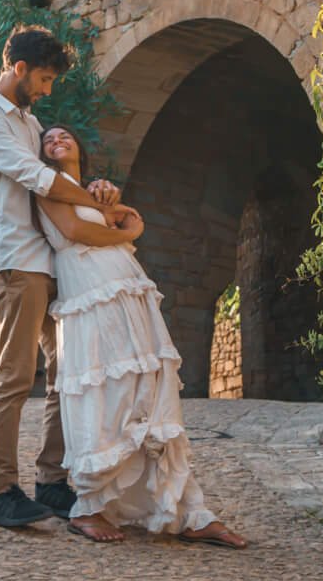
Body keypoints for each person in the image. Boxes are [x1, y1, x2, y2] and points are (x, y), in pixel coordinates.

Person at [35, 123, 249, 548]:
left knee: (150, 387)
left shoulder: (92, 189)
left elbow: (128, 214)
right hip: (87, 287)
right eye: (48, 139)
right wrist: (126, 234)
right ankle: (91, 506)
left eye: (65, 136)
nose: (57, 141)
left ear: (79, 146)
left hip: (125, 283)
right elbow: (77, 232)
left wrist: (118, 213)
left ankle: (186, 509)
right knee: (102, 386)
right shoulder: (46, 185)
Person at [0, 25, 121, 530]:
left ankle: (51, 482)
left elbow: (56, 185)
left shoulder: (30, 125)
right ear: (19, 69)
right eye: (46, 79)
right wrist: (93, 200)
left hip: (49, 261)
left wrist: (92, 185)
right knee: (14, 377)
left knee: (62, 377)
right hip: (14, 261)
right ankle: (0, 491)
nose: (49, 90)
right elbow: (38, 180)